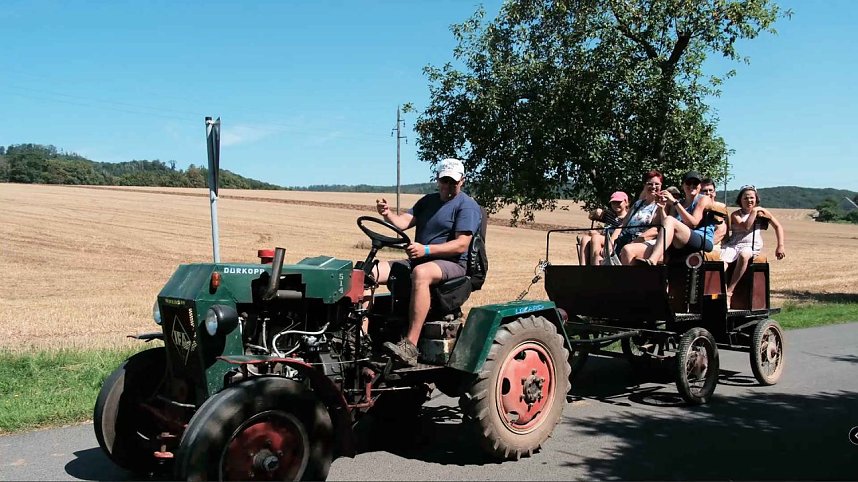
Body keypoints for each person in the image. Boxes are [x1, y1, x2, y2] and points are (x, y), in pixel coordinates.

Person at [373, 158, 482, 367]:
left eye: (453, 182)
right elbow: (403, 222)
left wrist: (425, 250)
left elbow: (461, 245)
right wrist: (387, 214)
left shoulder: (467, 206)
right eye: (445, 181)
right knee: (370, 272)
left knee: (421, 273)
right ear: (437, 179)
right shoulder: (427, 201)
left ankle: (410, 346)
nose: (448, 186)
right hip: (420, 260)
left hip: (451, 264)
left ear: (462, 181)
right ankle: (360, 336)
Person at [634, 170, 715, 265]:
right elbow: (666, 225)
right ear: (683, 186)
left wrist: (674, 202)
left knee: (670, 220)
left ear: (700, 186)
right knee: (629, 250)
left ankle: (653, 260)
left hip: (702, 240)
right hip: (679, 241)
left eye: (695, 183)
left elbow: (693, 223)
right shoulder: (679, 203)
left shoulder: (703, 199)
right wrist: (662, 208)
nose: (692, 185)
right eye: (689, 183)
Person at [722, 185, 786, 299]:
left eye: (752, 198)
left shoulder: (762, 212)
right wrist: (755, 211)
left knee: (744, 255)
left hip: (751, 246)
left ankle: (729, 292)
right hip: (734, 244)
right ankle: (719, 291)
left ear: (756, 199)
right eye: (745, 198)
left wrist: (780, 246)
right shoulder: (736, 214)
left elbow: (778, 226)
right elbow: (746, 226)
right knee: (721, 263)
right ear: (740, 200)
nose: (749, 201)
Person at [615, 170, 664, 265]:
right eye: (650, 184)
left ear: (661, 185)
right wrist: (612, 241)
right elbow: (623, 224)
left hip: (643, 241)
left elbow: (655, 229)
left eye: (657, 184)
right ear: (645, 186)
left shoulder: (661, 206)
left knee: (627, 250)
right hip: (624, 237)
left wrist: (634, 242)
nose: (653, 187)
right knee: (595, 241)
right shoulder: (638, 204)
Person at [578, 191, 629, 265]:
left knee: (596, 238)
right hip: (604, 237)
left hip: (615, 241)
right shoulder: (610, 215)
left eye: (619, 202)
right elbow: (591, 216)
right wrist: (597, 211)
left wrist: (598, 235)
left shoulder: (627, 218)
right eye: (613, 202)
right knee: (585, 239)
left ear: (626, 202)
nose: (616, 205)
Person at [700, 177, 729, 248]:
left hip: (714, 244)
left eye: (711, 190)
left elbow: (722, 231)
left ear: (715, 193)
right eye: (705, 191)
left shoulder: (720, 207)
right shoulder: (695, 208)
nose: (708, 193)